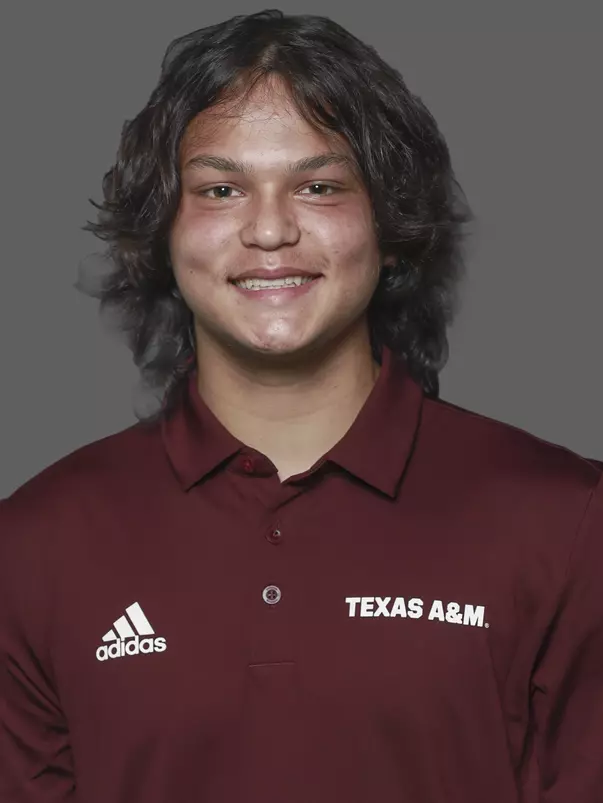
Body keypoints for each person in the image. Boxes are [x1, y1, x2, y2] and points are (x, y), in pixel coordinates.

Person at [1, 8, 602, 802]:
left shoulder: (566, 521)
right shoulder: (34, 546)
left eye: (317, 187)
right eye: (221, 189)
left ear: (386, 222)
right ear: (162, 230)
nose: (270, 230)